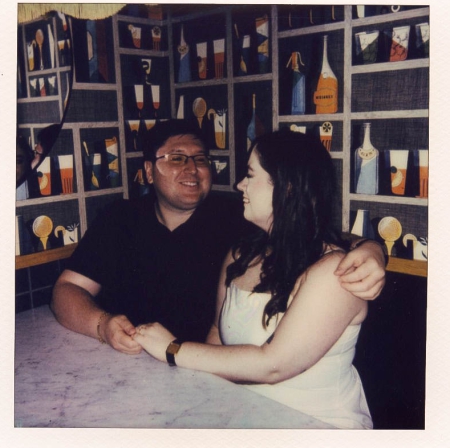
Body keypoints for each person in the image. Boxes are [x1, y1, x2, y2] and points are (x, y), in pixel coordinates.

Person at [51, 119, 386, 352]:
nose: (192, 169)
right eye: (177, 159)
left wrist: (373, 249)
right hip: (127, 363)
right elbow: (66, 291)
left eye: (200, 159)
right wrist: (102, 325)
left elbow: (318, 235)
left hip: (203, 370)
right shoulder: (119, 218)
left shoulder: (237, 217)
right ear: (149, 171)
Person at [132, 130, 372, 428]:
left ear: (286, 188)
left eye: (250, 175)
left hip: (317, 430)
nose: (239, 185)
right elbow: (217, 336)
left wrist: (173, 349)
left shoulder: (335, 273)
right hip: (245, 418)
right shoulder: (241, 255)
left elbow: (274, 365)